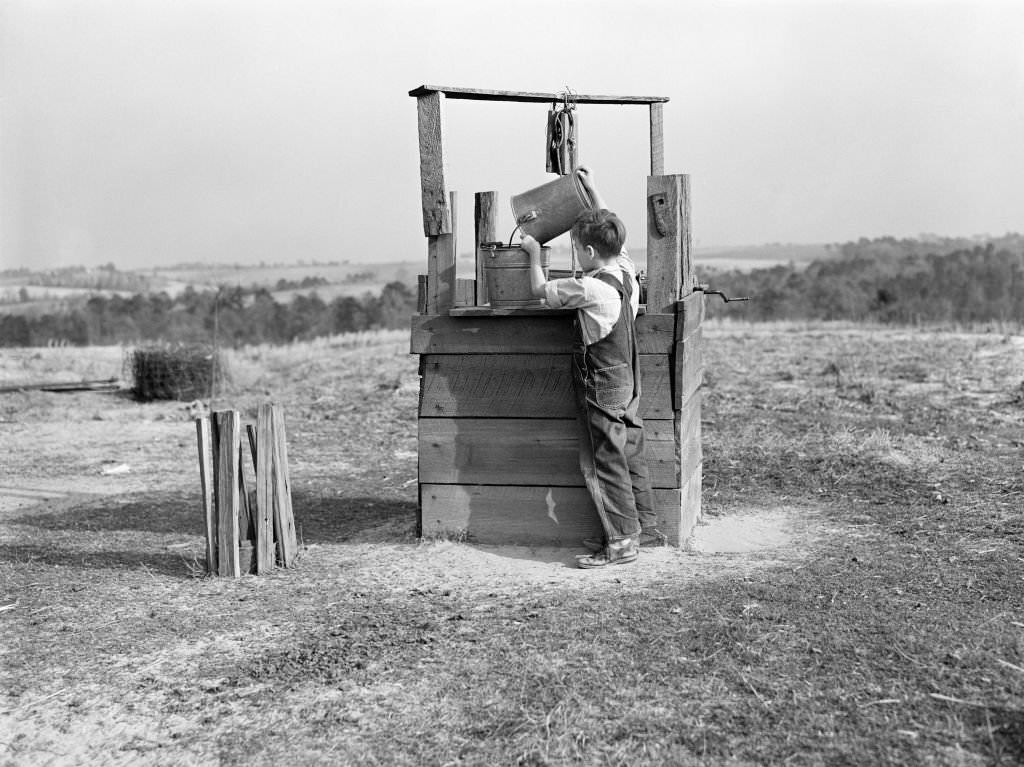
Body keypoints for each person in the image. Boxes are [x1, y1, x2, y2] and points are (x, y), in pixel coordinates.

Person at [520, 168, 665, 569]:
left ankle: (620, 541)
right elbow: (611, 233)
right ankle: (643, 527)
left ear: (585, 252)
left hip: (600, 384)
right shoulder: (625, 274)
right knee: (630, 451)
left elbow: (538, 291)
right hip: (628, 379)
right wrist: (593, 189)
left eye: (576, 248)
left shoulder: (588, 287)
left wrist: (534, 255)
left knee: (603, 462)